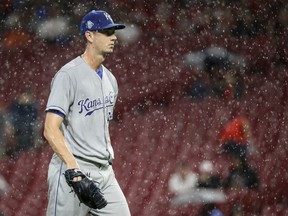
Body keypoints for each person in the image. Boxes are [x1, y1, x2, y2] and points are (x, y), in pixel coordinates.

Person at [43, 10, 130, 216]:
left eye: (114, 32)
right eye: (108, 32)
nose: (114, 37)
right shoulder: (68, 75)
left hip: (104, 172)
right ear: (89, 36)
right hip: (72, 171)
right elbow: (50, 129)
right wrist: (74, 170)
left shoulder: (111, 80)